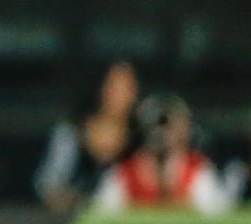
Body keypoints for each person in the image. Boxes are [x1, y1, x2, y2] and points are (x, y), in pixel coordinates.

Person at [95, 93, 231, 214]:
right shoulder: (122, 175)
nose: (162, 133)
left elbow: (217, 223)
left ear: (184, 130)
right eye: (157, 123)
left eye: (169, 124)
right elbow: (103, 220)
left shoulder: (199, 172)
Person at [35, 61, 138, 212]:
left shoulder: (141, 138)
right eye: (114, 86)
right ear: (100, 88)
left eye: (127, 87)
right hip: (73, 223)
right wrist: (82, 202)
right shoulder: (70, 134)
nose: (120, 94)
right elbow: (48, 186)